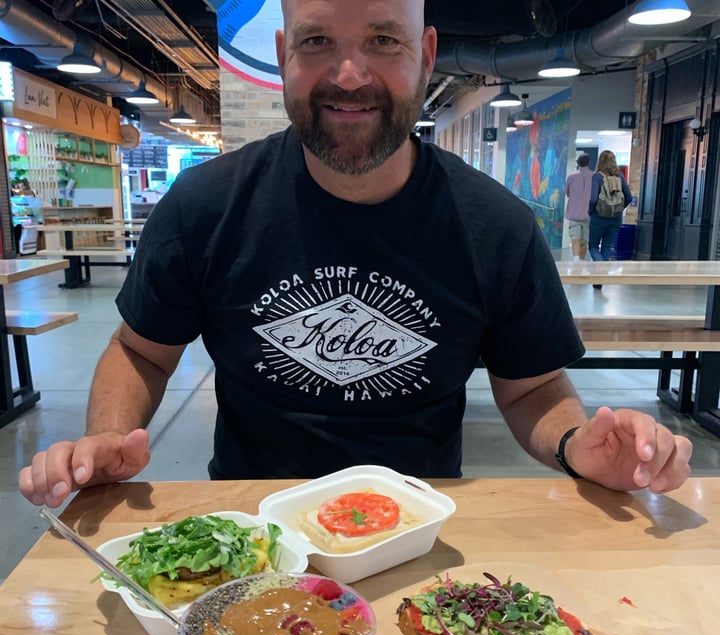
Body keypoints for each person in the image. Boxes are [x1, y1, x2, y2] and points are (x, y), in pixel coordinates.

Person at [19, 0, 692, 509]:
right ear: (283, 53)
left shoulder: (497, 227)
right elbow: (141, 349)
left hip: (419, 522)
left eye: (382, 40)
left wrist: (580, 446)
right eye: (317, 42)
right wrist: (106, 438)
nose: (348, 74)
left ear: (426, 55)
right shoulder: (204, 205)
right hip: (252, 523)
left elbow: (535, 388)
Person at [588, 149, 633, 287]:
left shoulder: (597, 177)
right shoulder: (619, 176)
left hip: (599, 217)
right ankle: (599, 281)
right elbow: (629, 197)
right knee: (607, 246)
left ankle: (600, 272)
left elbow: (593, 199)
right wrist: (619, 209)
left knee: (593, 246)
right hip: (616, 218)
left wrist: (591, 211)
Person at [564, 153, 593, 261]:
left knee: (575, 238)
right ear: (589, 162)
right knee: (585, 240)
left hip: (574, 212)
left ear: (577, 163)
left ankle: (576, 261)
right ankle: (582, 260)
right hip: (589, 214)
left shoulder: (571, 177)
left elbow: (567, 193)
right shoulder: (594, 176)